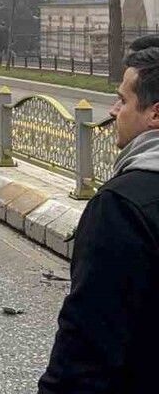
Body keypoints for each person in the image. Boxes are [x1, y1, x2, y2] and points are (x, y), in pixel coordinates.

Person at [38, 45, 159, 393]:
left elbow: (87, 349)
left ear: (154, 114)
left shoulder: (122, 207)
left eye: (122, 100)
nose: (113, 110)